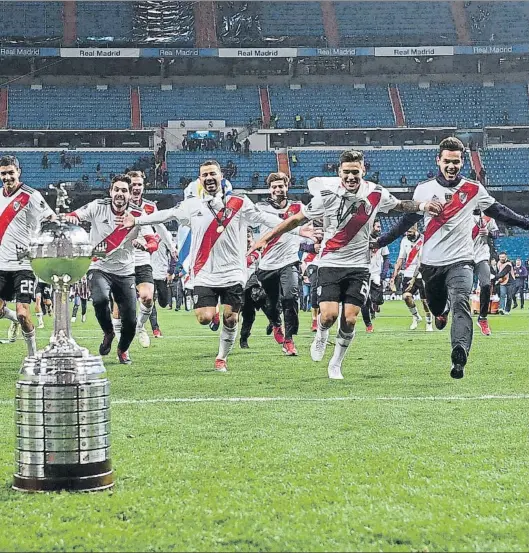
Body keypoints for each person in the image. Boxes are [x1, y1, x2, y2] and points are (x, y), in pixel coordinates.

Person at [250, 150, 442, 380]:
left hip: (359, 267)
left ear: (363, 171)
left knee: (350, 318)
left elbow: (400, 205)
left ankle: (336, 364)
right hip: (330, 263)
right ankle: (321, 335)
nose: (351, 177)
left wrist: (423, 206)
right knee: (328, 316)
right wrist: (265, 238)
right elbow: (296, 220)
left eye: (355, 172)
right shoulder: (326, 195)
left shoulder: (375, 193)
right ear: (339, 172)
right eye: (347, 172)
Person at [118, 160, 316, 372]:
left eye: (213, 173)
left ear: (221, 176)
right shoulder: (192, 205)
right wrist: (138, 221)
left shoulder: (239, 202)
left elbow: (264, 218)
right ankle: (212, 315)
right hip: (204, 273)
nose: (209, 178)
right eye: (205, 175)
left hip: (233, 272)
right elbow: (167, 214)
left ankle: (221, 357)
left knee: (231, 318)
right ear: (200, 179)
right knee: (204, 317)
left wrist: (296, 229)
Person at [377, 137, 529, 379]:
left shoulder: (473, 190)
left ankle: (459, 354)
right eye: (447, 161)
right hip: (431, 265)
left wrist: (526, 223)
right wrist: (380, 242)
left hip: (461, 261)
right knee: (438, 306)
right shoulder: (424, 190)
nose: (451, 166)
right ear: (439, 161)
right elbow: (405, 222)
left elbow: (500, 211)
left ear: (462, 162)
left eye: (456, 162)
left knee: (462, 302)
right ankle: (441, 311)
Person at [66, 174, 158, 364]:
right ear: (111, 192)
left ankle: (122, 349)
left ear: (130, 194)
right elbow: (74, 215)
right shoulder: (97, 206)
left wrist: (145, 244)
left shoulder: (138, 214)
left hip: (125, 272)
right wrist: (71, 219)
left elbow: (153, 240)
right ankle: (108, 333)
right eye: (117, 189)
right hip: (99, 266)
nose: (120, 194)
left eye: (124, 190)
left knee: (131, 322)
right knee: (99, 299)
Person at [111, 171, 174, 349]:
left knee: (147, 298)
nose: (136, 188)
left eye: (139, 185)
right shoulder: (116, 207)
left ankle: (140, 327)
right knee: (119, 303)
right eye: (133, 184)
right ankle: (121, 346)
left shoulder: (148, 208)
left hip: (142, 259)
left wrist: (171, 247)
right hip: (121, 261)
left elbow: (160, 228)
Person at [0, 155, 55, 356]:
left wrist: (41, 245)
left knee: (24, 313)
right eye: (3, 173)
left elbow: (51, 218)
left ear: (18, 172)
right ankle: (13, 319)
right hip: (1, 265)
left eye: (10, 173)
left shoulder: (31, 195)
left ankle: (33, 356)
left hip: (24, 265)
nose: (7, 177)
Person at [254, 172, 310, 356]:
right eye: (274, 187)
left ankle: (289, 340)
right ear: (269, 190)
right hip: (267, 264)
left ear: (287, 186)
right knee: (268, 303)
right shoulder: (260, 208)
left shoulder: (298, 207)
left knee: (290, 297)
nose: (278, 189)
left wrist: (312, 243)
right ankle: (276, 323)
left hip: (289, 261)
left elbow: (306, 232)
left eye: (281, 186)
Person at [390, 224, 433, 331]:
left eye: (409, 232)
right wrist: (394, 276)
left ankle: (429, 323)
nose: (407, 234)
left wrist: (413, 279)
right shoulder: (404, 240)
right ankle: (416, 316)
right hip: (408, 272)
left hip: (422, 273)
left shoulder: (424, 240)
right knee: (406, 296)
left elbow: (420, 262)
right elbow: (400, 259)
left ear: (415, 229)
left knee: (425, 301)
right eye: (406, 232)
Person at [472, 210, 498, 335]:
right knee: (459, 287)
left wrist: (489, 233)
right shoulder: (461, 213)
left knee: (486, 284)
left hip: (481, 255)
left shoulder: (488, 217)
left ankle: (482, 318)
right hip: (463, 254)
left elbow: (497, 233)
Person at [361, 219, 390, 333]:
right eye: (377, 227)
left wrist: (384, 273)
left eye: (380, 227)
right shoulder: (363, 239)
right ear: (371, 227)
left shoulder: (381, 241)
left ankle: (375, 304)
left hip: (376, 273)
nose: (379, 229)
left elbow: (386, 257)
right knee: (364, 300)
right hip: (364, 272)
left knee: (378, 299)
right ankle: (368, 325)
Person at [148, 239, 174, 338]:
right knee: (150, 301)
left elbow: (173, 254)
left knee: (163, 303)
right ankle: (155, 329)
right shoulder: (144, 233)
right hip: (149, 274)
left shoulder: (164, 236)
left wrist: (171, 271)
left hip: (162, 274)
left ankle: (162, 299)